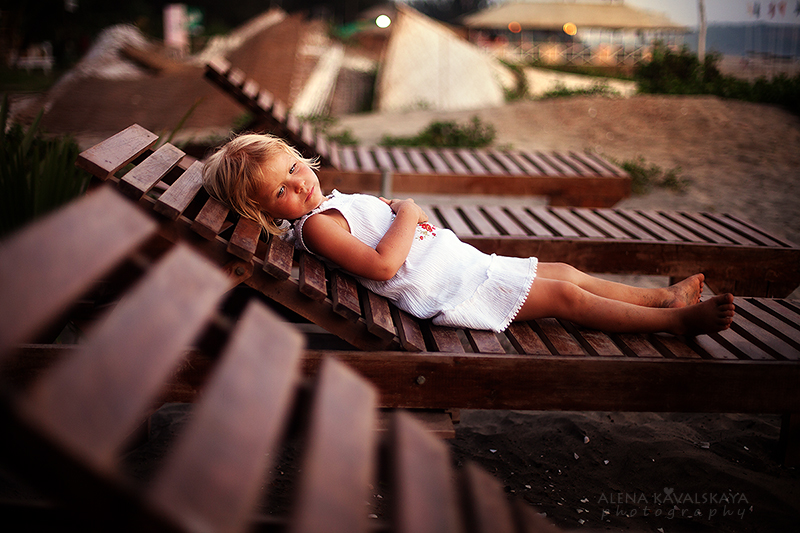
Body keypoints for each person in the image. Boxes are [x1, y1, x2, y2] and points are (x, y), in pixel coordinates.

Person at [203, 133, 735, 336]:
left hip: (461, 267)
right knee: (566, 297)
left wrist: (394, 212)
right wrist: (408, 211)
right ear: (261, 209)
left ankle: (660, 298)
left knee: (567, 272)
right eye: (281, 191)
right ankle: (676, 323)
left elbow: (380, 232)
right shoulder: (318, 227)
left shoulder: (326, 207)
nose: (300, 183)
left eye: (294, 168)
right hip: (450, 292)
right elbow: (385, 267)